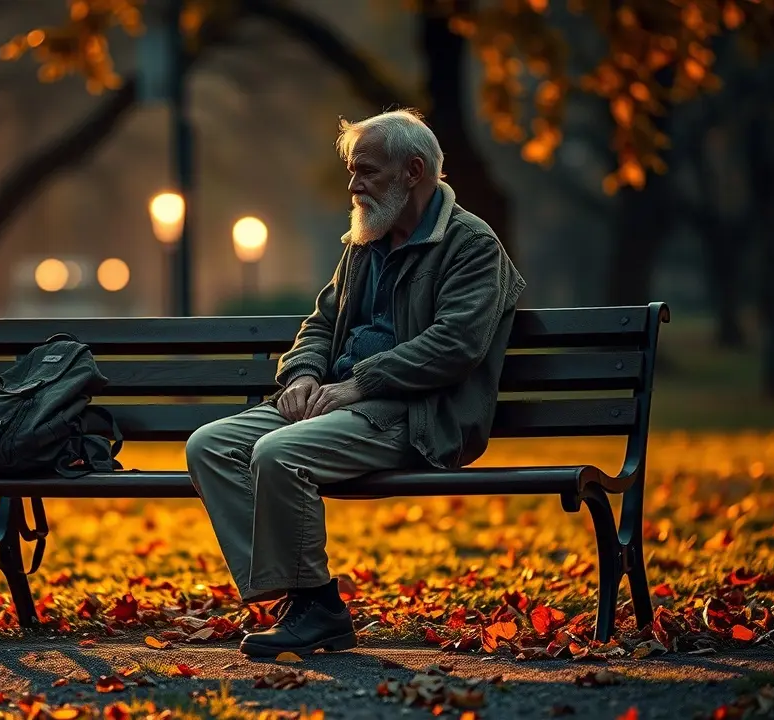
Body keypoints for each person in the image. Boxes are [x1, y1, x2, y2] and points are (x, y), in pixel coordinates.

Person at [185, 109, 526, 657]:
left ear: (413, 171)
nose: (353, 184)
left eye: (365, 170)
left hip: (415, 414)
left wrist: (360, 384)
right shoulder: (365, 241)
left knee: (279, 453)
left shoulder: (472, 246)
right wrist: (300, 374)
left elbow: (454, 345)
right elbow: (321, 324)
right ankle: (308, 600)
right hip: (339, 401)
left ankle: (312, 609)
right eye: (351, 170)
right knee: (210, 446)